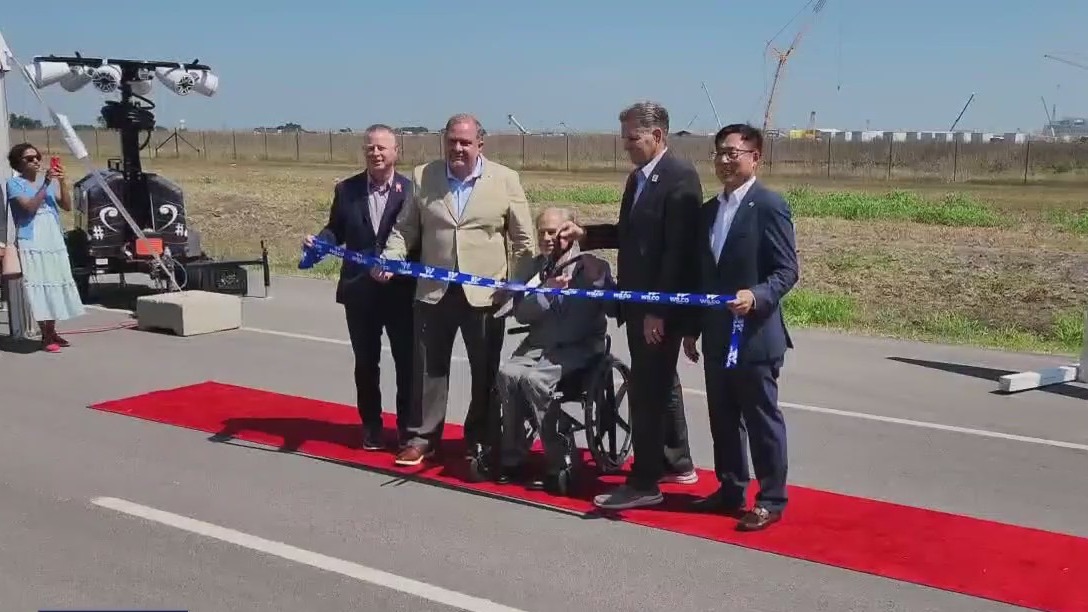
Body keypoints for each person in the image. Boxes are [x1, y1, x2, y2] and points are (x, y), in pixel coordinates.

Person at [556, 101, 702, 511]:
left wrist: (659, 309)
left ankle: (644, 482)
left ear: (657, 136)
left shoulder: (681, 178)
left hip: (658, 307)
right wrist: (585, 234)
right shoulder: (638, 179)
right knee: (659, 381)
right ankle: (677, 460)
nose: (626, 147)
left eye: (631, 138)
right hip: (637, 302)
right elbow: (629, 235)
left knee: (647, 391)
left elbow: (677, 252)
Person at [377, 113, 536, 467]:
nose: (458, 148)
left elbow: (525, 241)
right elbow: (405, 230)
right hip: (433, 292)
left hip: (486, 296)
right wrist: (391, 257)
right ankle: (422, 438)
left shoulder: (505, 180)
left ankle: (479, 438)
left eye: (465, 142)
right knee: (428, 370)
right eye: (452, 142)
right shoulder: (423, 176)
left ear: (481, 143)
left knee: (485, 371)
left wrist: (517, 284)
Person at [681, 123, 799, 532]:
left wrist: (757, 295)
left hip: (754, 337)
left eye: (734, 153)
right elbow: (703, 277)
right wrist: (693, 329)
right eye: (719, 153)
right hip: (716, 335)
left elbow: (787, 270)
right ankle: (731, 487)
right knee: (723, 419)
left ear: (755, 158)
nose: (725, 160)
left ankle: (771, 498)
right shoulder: (710, 212)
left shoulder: (768, 205)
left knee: (762, 420)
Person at [304, 124, 417, 451]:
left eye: (383, 148)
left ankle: (408, 429)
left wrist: (397, 268)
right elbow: (334, 230)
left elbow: (416, 240)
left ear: (396, 152)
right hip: (359, 292)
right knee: (366, 363)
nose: (376, 153)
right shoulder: (347, 190)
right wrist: (320, 242)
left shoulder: (412, 191)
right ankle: (371, 425)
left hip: (400, 294)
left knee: (406, 364)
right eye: (370, 148)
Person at [494, 207, 615, 491]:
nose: (547, 238)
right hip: (539, 345)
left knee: (535, 381)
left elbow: (614, 308)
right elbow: (521, 314)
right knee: (506, 374)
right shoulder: (534, 268)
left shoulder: (592, 266)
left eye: (554, 231)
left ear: (570, 231)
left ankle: (560, 459)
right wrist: (544, 293)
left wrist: (602, 283)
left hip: (580, 347)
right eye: (542, 233)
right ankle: (513, 456)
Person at [5, 144, 85, 351]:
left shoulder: (46, 183)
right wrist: (46, 184)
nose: (35, 161)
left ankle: (52, 331)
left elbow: (66, 206)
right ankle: (45, 335)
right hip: (32, 239)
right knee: (39, 284)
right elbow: (29, 208)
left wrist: (61, 181)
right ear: (18, 163)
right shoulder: (14, 184)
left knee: (55, 281)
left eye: (37, 157)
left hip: (53, 238)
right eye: (29, 159)